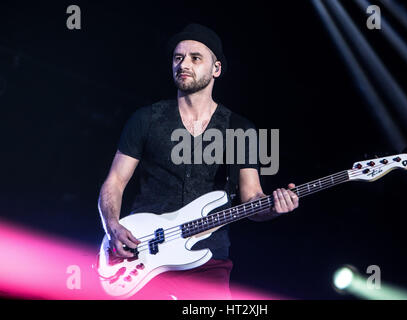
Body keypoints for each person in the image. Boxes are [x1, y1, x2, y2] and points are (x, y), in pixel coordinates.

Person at [97, 23, 299, 299]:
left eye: (195, 57)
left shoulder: (240, 129)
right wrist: (113, 226)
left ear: (216, 69)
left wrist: (274, 207)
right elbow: (115, 182)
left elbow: (252, 200)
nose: (183, 64)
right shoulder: (146, 119)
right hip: (143, 250)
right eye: (178, 58)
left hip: (207, 260)